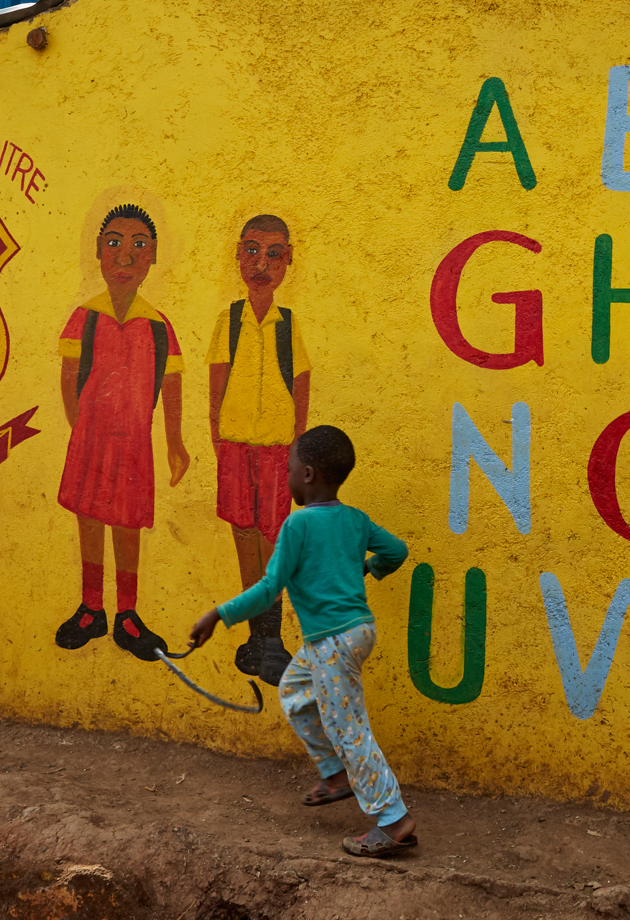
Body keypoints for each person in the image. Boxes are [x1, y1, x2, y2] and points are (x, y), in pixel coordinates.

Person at [188, 425, 418, 858]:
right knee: (294, 691)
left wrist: (220, 614)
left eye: (289, 467)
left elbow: (269, 588)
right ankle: (335, 775)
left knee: (349, 729)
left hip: (333, 641)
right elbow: (397, 552)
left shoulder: (298, 525)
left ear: (308, 474)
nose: (287, 473)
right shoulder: (354, 520)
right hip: (348, 634)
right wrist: (367, 570)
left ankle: (393, 819)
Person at [53, 204, 190, 661]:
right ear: (98, 252)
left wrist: (174, 443)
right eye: (114, 244)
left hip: (134, 444)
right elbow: (69, 377)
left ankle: (126, 614)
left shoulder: (158, 326)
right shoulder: (84, 318)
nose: (125, 257)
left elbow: (171, 383)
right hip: (91, 440)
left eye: (138, 246)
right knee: (89, 518)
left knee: (127, 523)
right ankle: (92, 606)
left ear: (152, 257)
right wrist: (81, 429)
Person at [207, 215, 311, 685]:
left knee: (273, 543)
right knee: (244, 540)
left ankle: (271, 640)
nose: (261, 263)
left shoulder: (288, 326)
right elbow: (216, 387)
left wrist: (295, 451)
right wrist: (218, 444)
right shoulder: (228, 321)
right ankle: (256, 638)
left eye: (273, 253)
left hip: (276, 452)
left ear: (289, 258)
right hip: (234, 448)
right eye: (251, 250)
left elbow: (302, 388)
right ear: (237, 254)